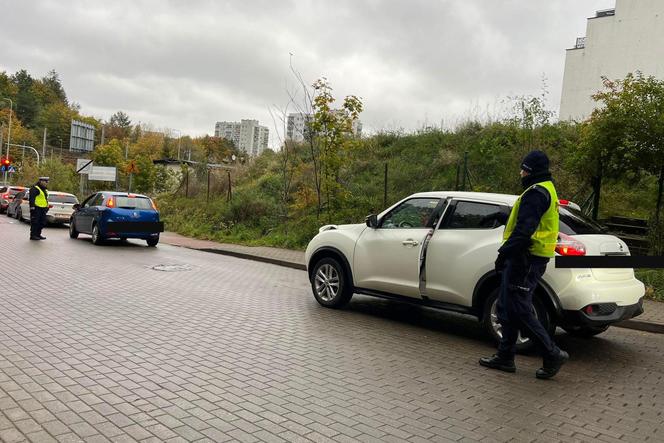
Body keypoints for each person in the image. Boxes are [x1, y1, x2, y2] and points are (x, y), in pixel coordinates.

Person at [479, 150, 569, 380]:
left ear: (532, 171)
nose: (521, 173)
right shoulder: (542, 190)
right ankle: (505, 357)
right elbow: (525, 220)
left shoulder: (537, 193)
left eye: (524, 169)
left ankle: (552, 353)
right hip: (526, 257)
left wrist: (503, 253)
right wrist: (500, 217)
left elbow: (524, 230)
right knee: (507, 307)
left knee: (519, 308)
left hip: (526, 258)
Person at [29, 176, 49, 241]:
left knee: (42, 222)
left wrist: (47, 207)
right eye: (46, 181)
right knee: (35, 222)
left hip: (43, 208)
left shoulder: (44, 189)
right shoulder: (35, 188)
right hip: (36, 208)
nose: (47, 183)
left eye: (47, 182)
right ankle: (33, 235)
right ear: (41, 181)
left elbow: (45, 199)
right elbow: (32, 198)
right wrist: (32, 207)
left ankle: (38, 234)